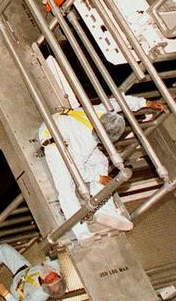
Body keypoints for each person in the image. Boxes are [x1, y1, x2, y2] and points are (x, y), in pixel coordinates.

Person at [38, 96, 163, 241]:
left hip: (64, 125)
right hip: (55, 140)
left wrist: (145, 103)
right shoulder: (85, 142)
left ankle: (106, 211)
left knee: (101, 160)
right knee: (66, 186)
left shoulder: (100, 112)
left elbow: (120, 101)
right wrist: (98, 177)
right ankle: (81, 233)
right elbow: (76, 172)